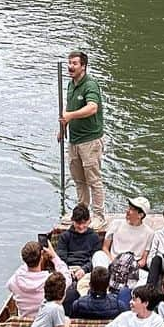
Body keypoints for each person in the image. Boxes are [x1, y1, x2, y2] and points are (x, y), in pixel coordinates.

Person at [59, 50, 104, 222]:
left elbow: (92, 107)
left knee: (93, 180)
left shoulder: (90, 85)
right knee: (79, 180)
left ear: (83, 66)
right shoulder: (71, 84)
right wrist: (63, 128)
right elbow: (68, 109)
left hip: (90, 141)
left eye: (74, 63)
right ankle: (82, 214)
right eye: (69, 63)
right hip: (74, 140)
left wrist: (70, 116)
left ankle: (99, 215)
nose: (70, 67)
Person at [7, 239, 70, 318]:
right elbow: (67, 277)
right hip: (45, 323)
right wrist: (54, 257)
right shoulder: (51, 282)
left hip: (25, 319)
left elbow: (21, 271)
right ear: (41, 256)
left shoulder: (14, 281)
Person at [100, 196, 151, 271]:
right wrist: (112, 262)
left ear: (140, 215)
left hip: (132, 268)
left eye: (131, 209)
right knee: (98, 255)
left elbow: (143, 260)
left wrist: (130, 268)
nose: (127, 211)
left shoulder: (149, 233)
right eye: (129, 208)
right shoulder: (116, 223)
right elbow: (105, 248)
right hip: (111, 262)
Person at [54, 203, 97, 281]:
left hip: (87, 270)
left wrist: (84, 269)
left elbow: (95, 258)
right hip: (68, 269)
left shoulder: (94, 237)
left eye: (84, 223)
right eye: (78, 223)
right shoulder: (65, 236)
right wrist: (67, 270)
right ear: (72, 220)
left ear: (89, 221)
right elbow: (61, 257)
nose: (81, 227)